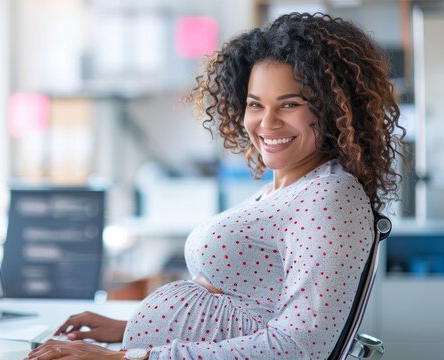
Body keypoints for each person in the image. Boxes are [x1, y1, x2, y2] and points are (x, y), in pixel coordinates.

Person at [25, 12, 404, 360]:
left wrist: (126, 357)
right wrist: (126, 330)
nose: (266, 123)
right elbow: (249, 313)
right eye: (256, 105)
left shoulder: (330, 199)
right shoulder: (291, 187)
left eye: (289, 105)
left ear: (334, 110)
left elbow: (298, 348)